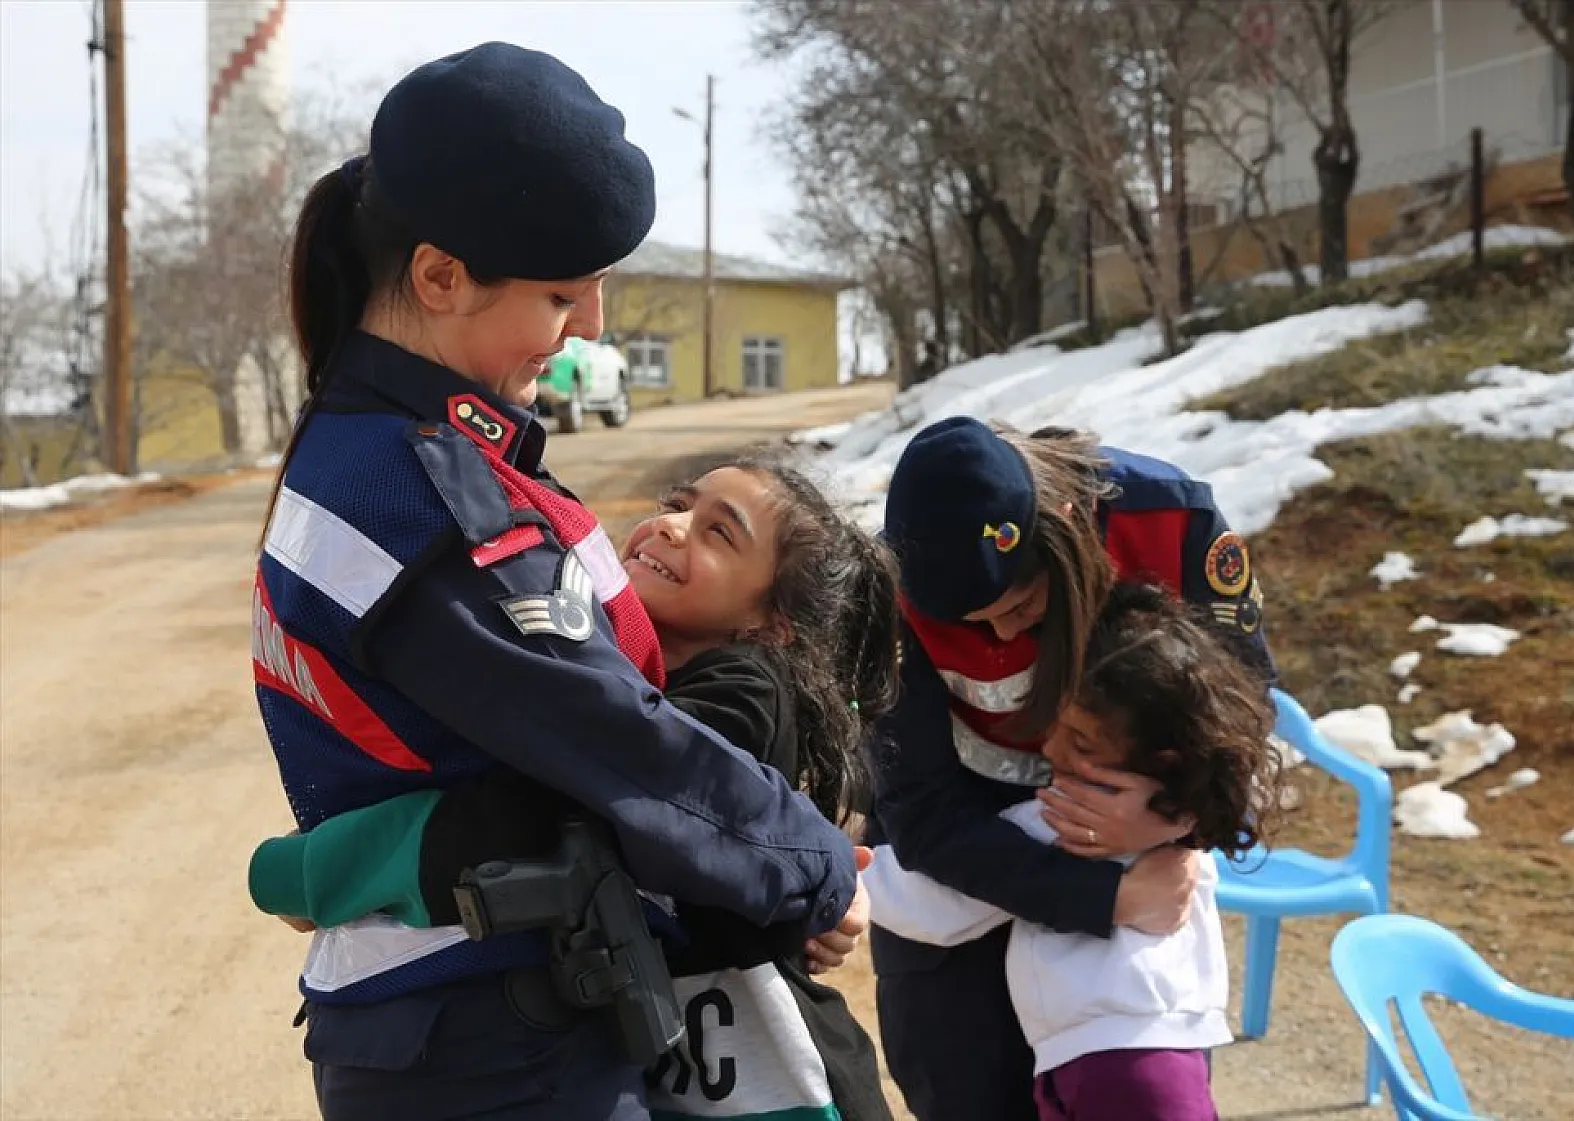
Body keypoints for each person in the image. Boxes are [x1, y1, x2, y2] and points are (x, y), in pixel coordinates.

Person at [254, 42, 858, 1121]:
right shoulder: (421, 497)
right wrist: (807, 865)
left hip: (473, 1022)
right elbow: (607, 737)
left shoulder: (398, 450)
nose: (588, 326)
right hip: (490, 1040)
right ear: (440, 276)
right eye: (560, 294)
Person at [250, 458, 900, 1121]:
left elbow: (563, 815)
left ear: (770, 623)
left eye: (718, 533)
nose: (671, 527)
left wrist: (326, 868)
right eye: (678, 502)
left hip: (777, 1091)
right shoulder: (604, 669)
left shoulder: (748, 687)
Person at [869, 416, 1275, 1121]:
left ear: (1064, 528)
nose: (1003, 636)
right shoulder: (890, 588)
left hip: (1139, 865)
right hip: (966, 862)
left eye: (1022, 605)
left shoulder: (1169, 521)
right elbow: (918, 814)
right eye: (975, 622)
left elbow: (1237, 721)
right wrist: (1095, 892)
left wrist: (1175, 822)